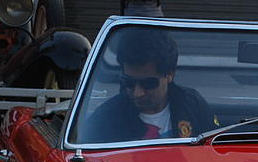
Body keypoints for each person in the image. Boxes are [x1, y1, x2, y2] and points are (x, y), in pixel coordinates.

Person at [86, 28, 215, 143]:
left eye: (148, 83)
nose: (138, 93)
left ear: (169, 75)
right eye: (129, 82)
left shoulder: (193, 105)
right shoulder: (107, 118)